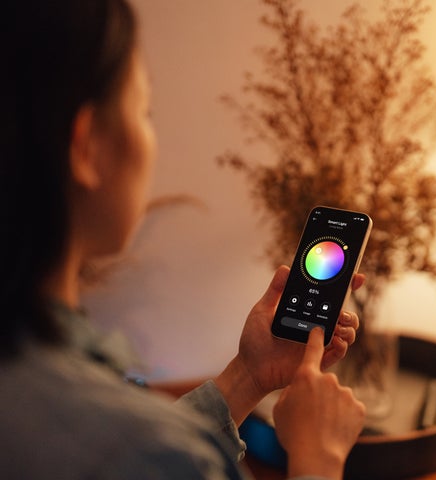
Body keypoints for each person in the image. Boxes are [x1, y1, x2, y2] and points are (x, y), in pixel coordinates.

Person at [0, 1, 366, 479]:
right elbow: (149, 454)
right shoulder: (146, 448)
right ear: (87, 147)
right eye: (145, 109)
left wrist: (248, 375)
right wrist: (319, 458)